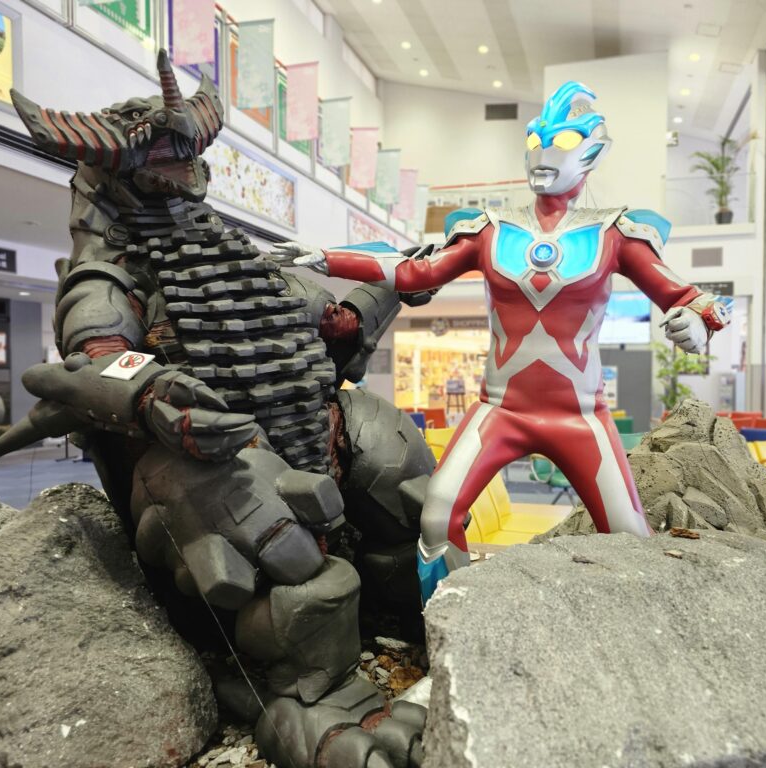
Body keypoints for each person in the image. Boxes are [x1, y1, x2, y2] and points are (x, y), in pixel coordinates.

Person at [272, 81, 732, 603]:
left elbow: (689, 297)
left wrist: (696, 323)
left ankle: (638, 636)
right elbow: (417, 272)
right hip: (501, 410)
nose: (542, 155)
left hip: (580, 416)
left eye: (560, 143)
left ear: (591, 152)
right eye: (535, 142)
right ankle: (448, 623)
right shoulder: (491, 230)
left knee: (631, 539)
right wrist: (328, 257)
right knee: (438, 515)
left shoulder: (614, 233)